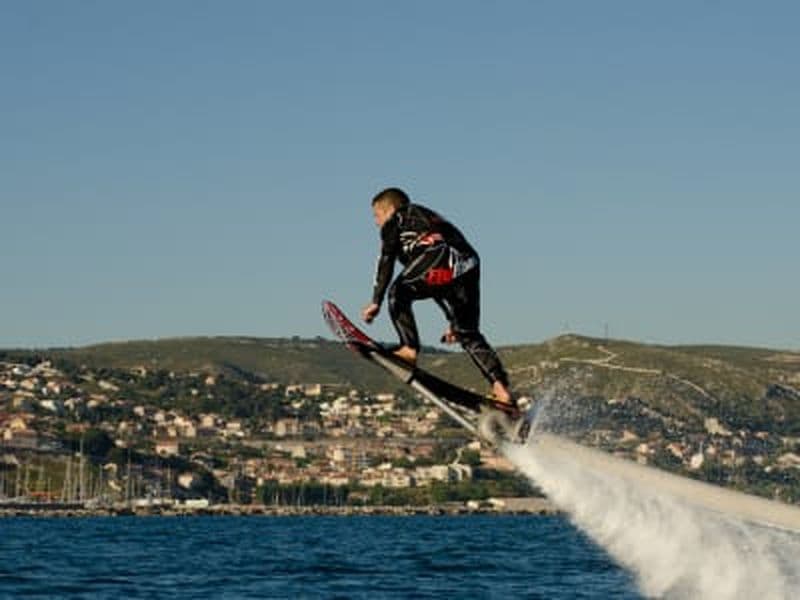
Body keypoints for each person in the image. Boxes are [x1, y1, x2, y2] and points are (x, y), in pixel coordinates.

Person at [361, 187, 516, 407]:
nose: (376, 222)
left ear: (390, 209)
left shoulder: (397, 218)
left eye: (376, 216)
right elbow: (437, 283)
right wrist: (453, 321)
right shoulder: (431, 217)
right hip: (468, 262)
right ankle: (502, 390)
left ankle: (409, 349)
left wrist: (376, 300)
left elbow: (385, 259)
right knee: (468, 333)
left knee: (398, 292)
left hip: (438, 255)